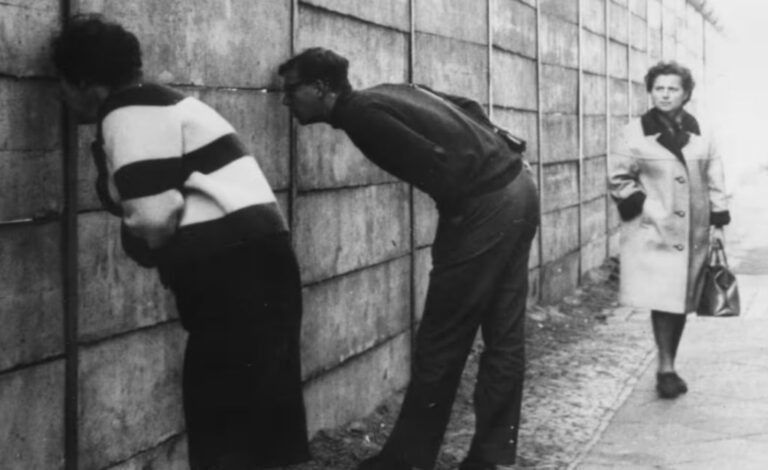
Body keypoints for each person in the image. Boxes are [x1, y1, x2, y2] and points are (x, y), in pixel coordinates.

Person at [52, 15, 310, 470]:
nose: (61, 97)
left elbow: (152, 217)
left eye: (63, 85)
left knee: (220, 420)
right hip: (266, 261)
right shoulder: (169, 104)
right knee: (266, 419)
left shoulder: (126, 113)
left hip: (231, 277)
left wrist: (143, 243)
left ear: (88, 85)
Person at [278, 48, 539, 470]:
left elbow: (440, 168)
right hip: (519, 185)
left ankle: (407, 461)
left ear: (321, 88)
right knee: (504, 334)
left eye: (291, 91)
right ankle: (491, 458)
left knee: (441, 338)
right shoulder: (389, 90)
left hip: (484, 207)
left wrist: (456, 214)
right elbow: (469, 107)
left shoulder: (361, 116)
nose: (286, 101)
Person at [608, 61, 730, 399]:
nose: (665, 94)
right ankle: (666, 368)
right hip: (653, 231)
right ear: (651, 92)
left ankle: (668, 362)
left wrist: (718, 224)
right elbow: (618, 178)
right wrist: (645, 208)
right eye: (658, 88)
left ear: (686, 93)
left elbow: (715, 179)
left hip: (694, 231)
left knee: (680, 301)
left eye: (672, 88)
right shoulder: (633, 133)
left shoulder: (704, 133)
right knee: (663, 299)